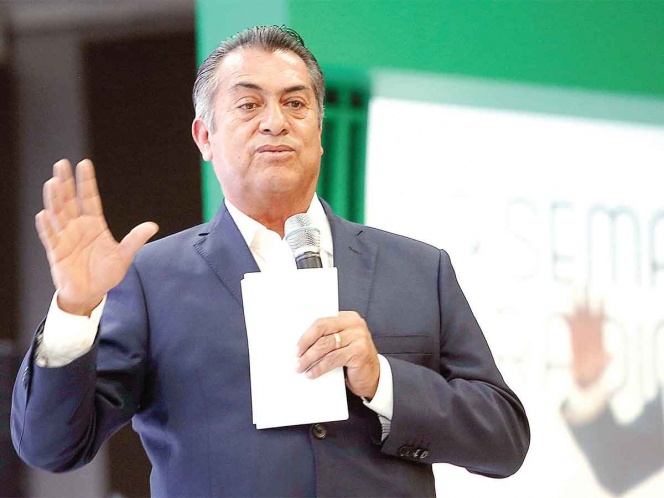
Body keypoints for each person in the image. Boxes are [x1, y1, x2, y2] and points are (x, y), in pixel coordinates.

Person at [12, 26, 529, 497]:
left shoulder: (417, 268)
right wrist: (74, 309)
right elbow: (51, 447)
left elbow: (504, 439)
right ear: (205, 137)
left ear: (319, 132)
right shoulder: (152, 278)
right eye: (248, 105)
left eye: (295, 103)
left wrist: (383, 381)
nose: (275, 123)